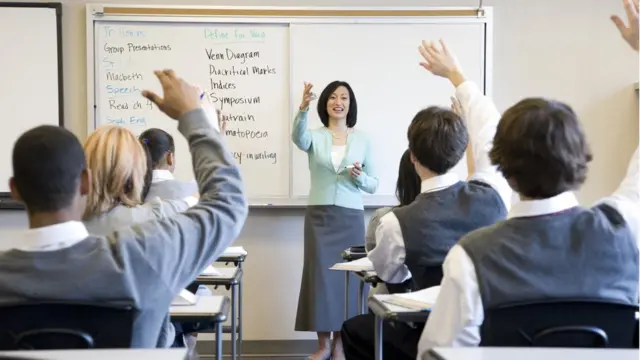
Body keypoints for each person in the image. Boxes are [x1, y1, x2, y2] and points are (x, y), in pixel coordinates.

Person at [416, 1, 639, 356]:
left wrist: (457, 76)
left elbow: (436, 354)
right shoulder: (623, 229)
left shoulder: (471, 257)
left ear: (503, 168)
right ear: (581, 158)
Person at [0, 69, 248, 348]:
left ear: (15, 190)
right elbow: (228, 204)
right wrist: (196, 120)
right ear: (85, 182)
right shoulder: (144, 255)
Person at [340, 40, 512, 360]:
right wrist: (456, 76)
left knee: (355, 328)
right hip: (488, 336)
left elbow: (390, 276)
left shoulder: (395, 222)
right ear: (462, 152)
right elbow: (490, 129)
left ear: (413, 158)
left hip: (427, 335)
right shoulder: (494, 197)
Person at [292, 80, 379, 359]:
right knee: (320, 279)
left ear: (350, 104)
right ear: (325, 103)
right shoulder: (314, 136)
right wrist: (302, 109)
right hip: (319, 216)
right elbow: (298, 137)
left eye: (343, 97)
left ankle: (342, 344)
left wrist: (360, 177)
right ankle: (323, 345)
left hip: (350, 215)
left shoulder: (363, 139)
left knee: (348, 281)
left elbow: (373, 184)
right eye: (332, 97)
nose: (337, 101)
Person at [365, 149, 420, 296]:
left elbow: (381, 269)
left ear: (402, 180)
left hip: (396, 306)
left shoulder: (385, 218)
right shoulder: (459, 217)